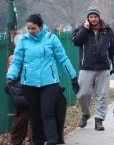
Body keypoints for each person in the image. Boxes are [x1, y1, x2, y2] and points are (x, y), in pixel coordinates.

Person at [6, 14, 78, 145]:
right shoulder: (23, 41)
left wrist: (73, 77)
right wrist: (10, 78)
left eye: (33, 28)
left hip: (49, 82)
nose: (30, 31)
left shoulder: (51, 39)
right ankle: (38, 141)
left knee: (47, 112)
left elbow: (63, 59)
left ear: (40, 26)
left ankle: (52, 140)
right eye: (28, 28)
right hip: (29, 84)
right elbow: (16, 61)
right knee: (35, 115)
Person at [72, 6, 114, 131]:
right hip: (86, 66)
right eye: (91, 17)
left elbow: (113, 48)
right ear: (88, 18)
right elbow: (76, 41)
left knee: (102, 95)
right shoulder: (81, 29)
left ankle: (99, 119)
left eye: (95, 16)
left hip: (103, 67)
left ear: (99, 17)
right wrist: (84, 29)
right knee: (82, 93)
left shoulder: (107, 30)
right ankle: (85, 113)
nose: (93, 19)